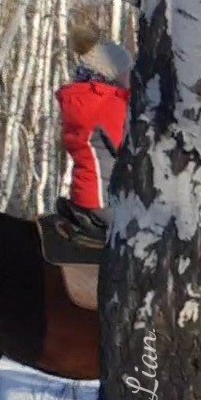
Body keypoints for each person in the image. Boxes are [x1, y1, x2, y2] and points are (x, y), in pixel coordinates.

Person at [54, 25, 132, 244]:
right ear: (112, 74)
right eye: (128, 72)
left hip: (85, 196)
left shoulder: (84, 101)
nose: (133, 79)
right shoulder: (109, 105)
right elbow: (134, 149)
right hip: (106, 201)